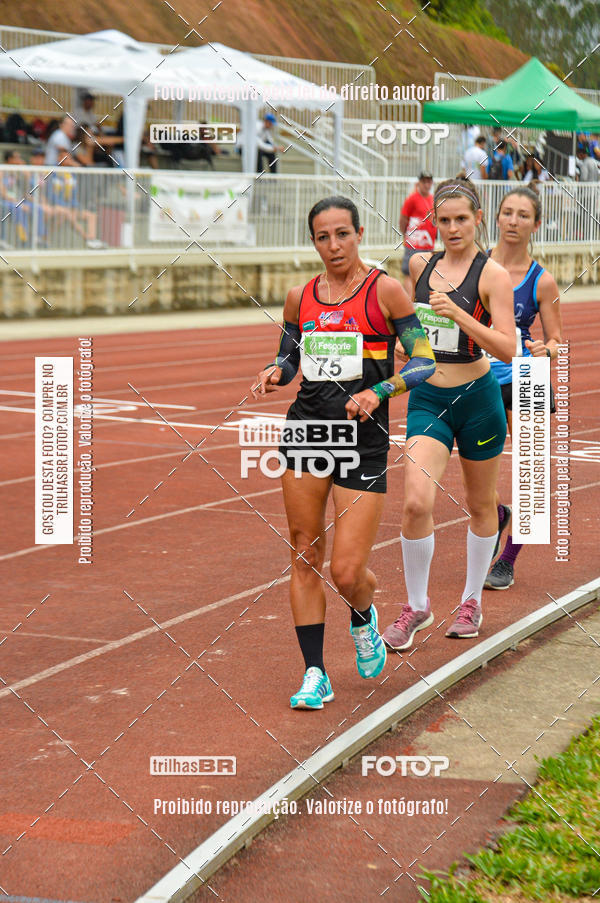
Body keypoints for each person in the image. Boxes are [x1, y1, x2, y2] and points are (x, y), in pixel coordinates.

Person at [252, 196, 435, 709]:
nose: (333, 245)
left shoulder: (387, 291)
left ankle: (363, 617)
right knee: (304, 552)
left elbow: (424, 361)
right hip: (307, 432)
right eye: (322, 237)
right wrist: (275, 373)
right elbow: (289, 357)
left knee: (347, 572)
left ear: (359, 234)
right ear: (313, 241)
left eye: (342, 234)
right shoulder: (300, 298)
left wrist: (380, 391)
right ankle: (315, 673)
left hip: (362, 439)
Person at [382, 178, 516, 651]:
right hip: (429, 399)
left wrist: (460, 316)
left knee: (481, 506)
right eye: (444, 220)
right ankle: (417, 606)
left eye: (462, 219)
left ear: (478, 218)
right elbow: (412, 333)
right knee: (416, 502)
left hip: (478, 399)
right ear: (433, 222)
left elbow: (509, 347)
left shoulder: (492, 276)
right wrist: (405, 348)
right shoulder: (421, 265)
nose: (453, 228)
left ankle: (471, 600)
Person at [484, 186, 562, 590]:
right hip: (478, 375)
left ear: (536, 224)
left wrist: (545, 349)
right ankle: (497, 515)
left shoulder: (541, 281)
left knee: (531, 471)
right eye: (508, 212)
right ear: (496, 218)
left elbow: (556, 339)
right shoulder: (476, 266)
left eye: (523, 215)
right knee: (478, 479)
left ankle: (508, 560)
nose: (513, 221)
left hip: (526, 375)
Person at [399, 171, 437, 296]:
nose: (426, 185)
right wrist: (406, 234)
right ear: (419, 183)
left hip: (428, 244)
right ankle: (409, 303)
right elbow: (403, 218)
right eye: (424, 182)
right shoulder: (412, 199)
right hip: (414, 243)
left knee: (426, 273)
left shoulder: (432, 199)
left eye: (429, 182)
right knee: (410, 273)